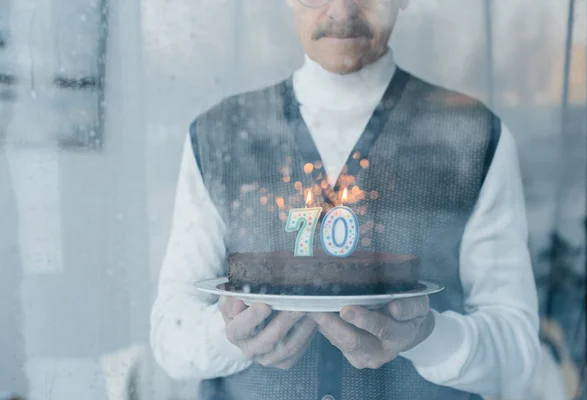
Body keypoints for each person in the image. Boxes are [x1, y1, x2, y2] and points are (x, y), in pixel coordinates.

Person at [150, 0, 541, 399]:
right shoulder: (219, 136)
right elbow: (170, 338)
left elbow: (519, 354)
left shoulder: (473, 137)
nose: (341, 10)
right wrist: (229, 335)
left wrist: (427, 336)